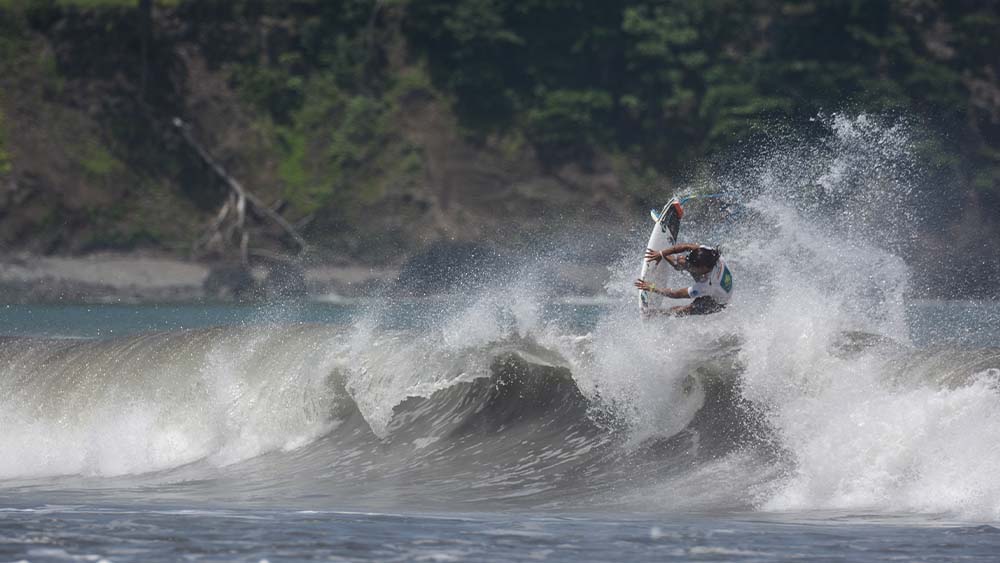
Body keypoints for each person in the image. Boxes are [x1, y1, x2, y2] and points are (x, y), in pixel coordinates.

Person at [634, 244, 732, 316]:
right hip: (715, 283)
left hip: (717, 302)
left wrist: (652, 287)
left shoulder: (708, 285)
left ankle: (656, 314)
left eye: (695, 268)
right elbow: (685, 246)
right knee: (683, 261)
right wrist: (661, 253)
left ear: (703, 268)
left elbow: (676, 294)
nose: (691, 269)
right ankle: (666, 257)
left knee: (685, 309)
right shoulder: (710, 253)